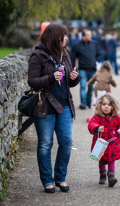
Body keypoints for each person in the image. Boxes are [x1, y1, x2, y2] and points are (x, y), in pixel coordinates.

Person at [28, 23, 80, 193]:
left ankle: (60, 178)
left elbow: (69, 83)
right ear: (53, 37)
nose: (66, 38)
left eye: (66, 35)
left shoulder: (65, 54)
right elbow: (32, 81)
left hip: (64, 105)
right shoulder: (38, 55)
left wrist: (74, 78)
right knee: (45, 144)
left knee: (66, 142)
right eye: (62, 36)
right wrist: (50, 77)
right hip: (44, 106)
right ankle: (47, 180)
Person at [88, 94, 120, 187]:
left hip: (113, 143)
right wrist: (97, 128)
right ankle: (102, 174)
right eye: (104, 104)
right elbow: (91, 125)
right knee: (101, 159)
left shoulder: (116, 117)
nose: (106, 106)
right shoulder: (97, 117)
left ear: (113, 106)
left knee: (111, 159)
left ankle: (111, 177)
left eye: (109, 104)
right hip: (101, 143)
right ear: (100, 106)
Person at [71, 29, 101, 110]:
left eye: (90, 35)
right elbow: (72, 58)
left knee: (91, 87)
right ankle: (83, 104)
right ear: (83, 36)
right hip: (82, 69)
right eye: (88, 35)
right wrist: (73, 69)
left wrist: (97, 61)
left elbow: (99, 54)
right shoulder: (77, 46)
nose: (90, 36)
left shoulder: (94, 44)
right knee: (83, 86)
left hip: (93, 69)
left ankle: (88, 103)